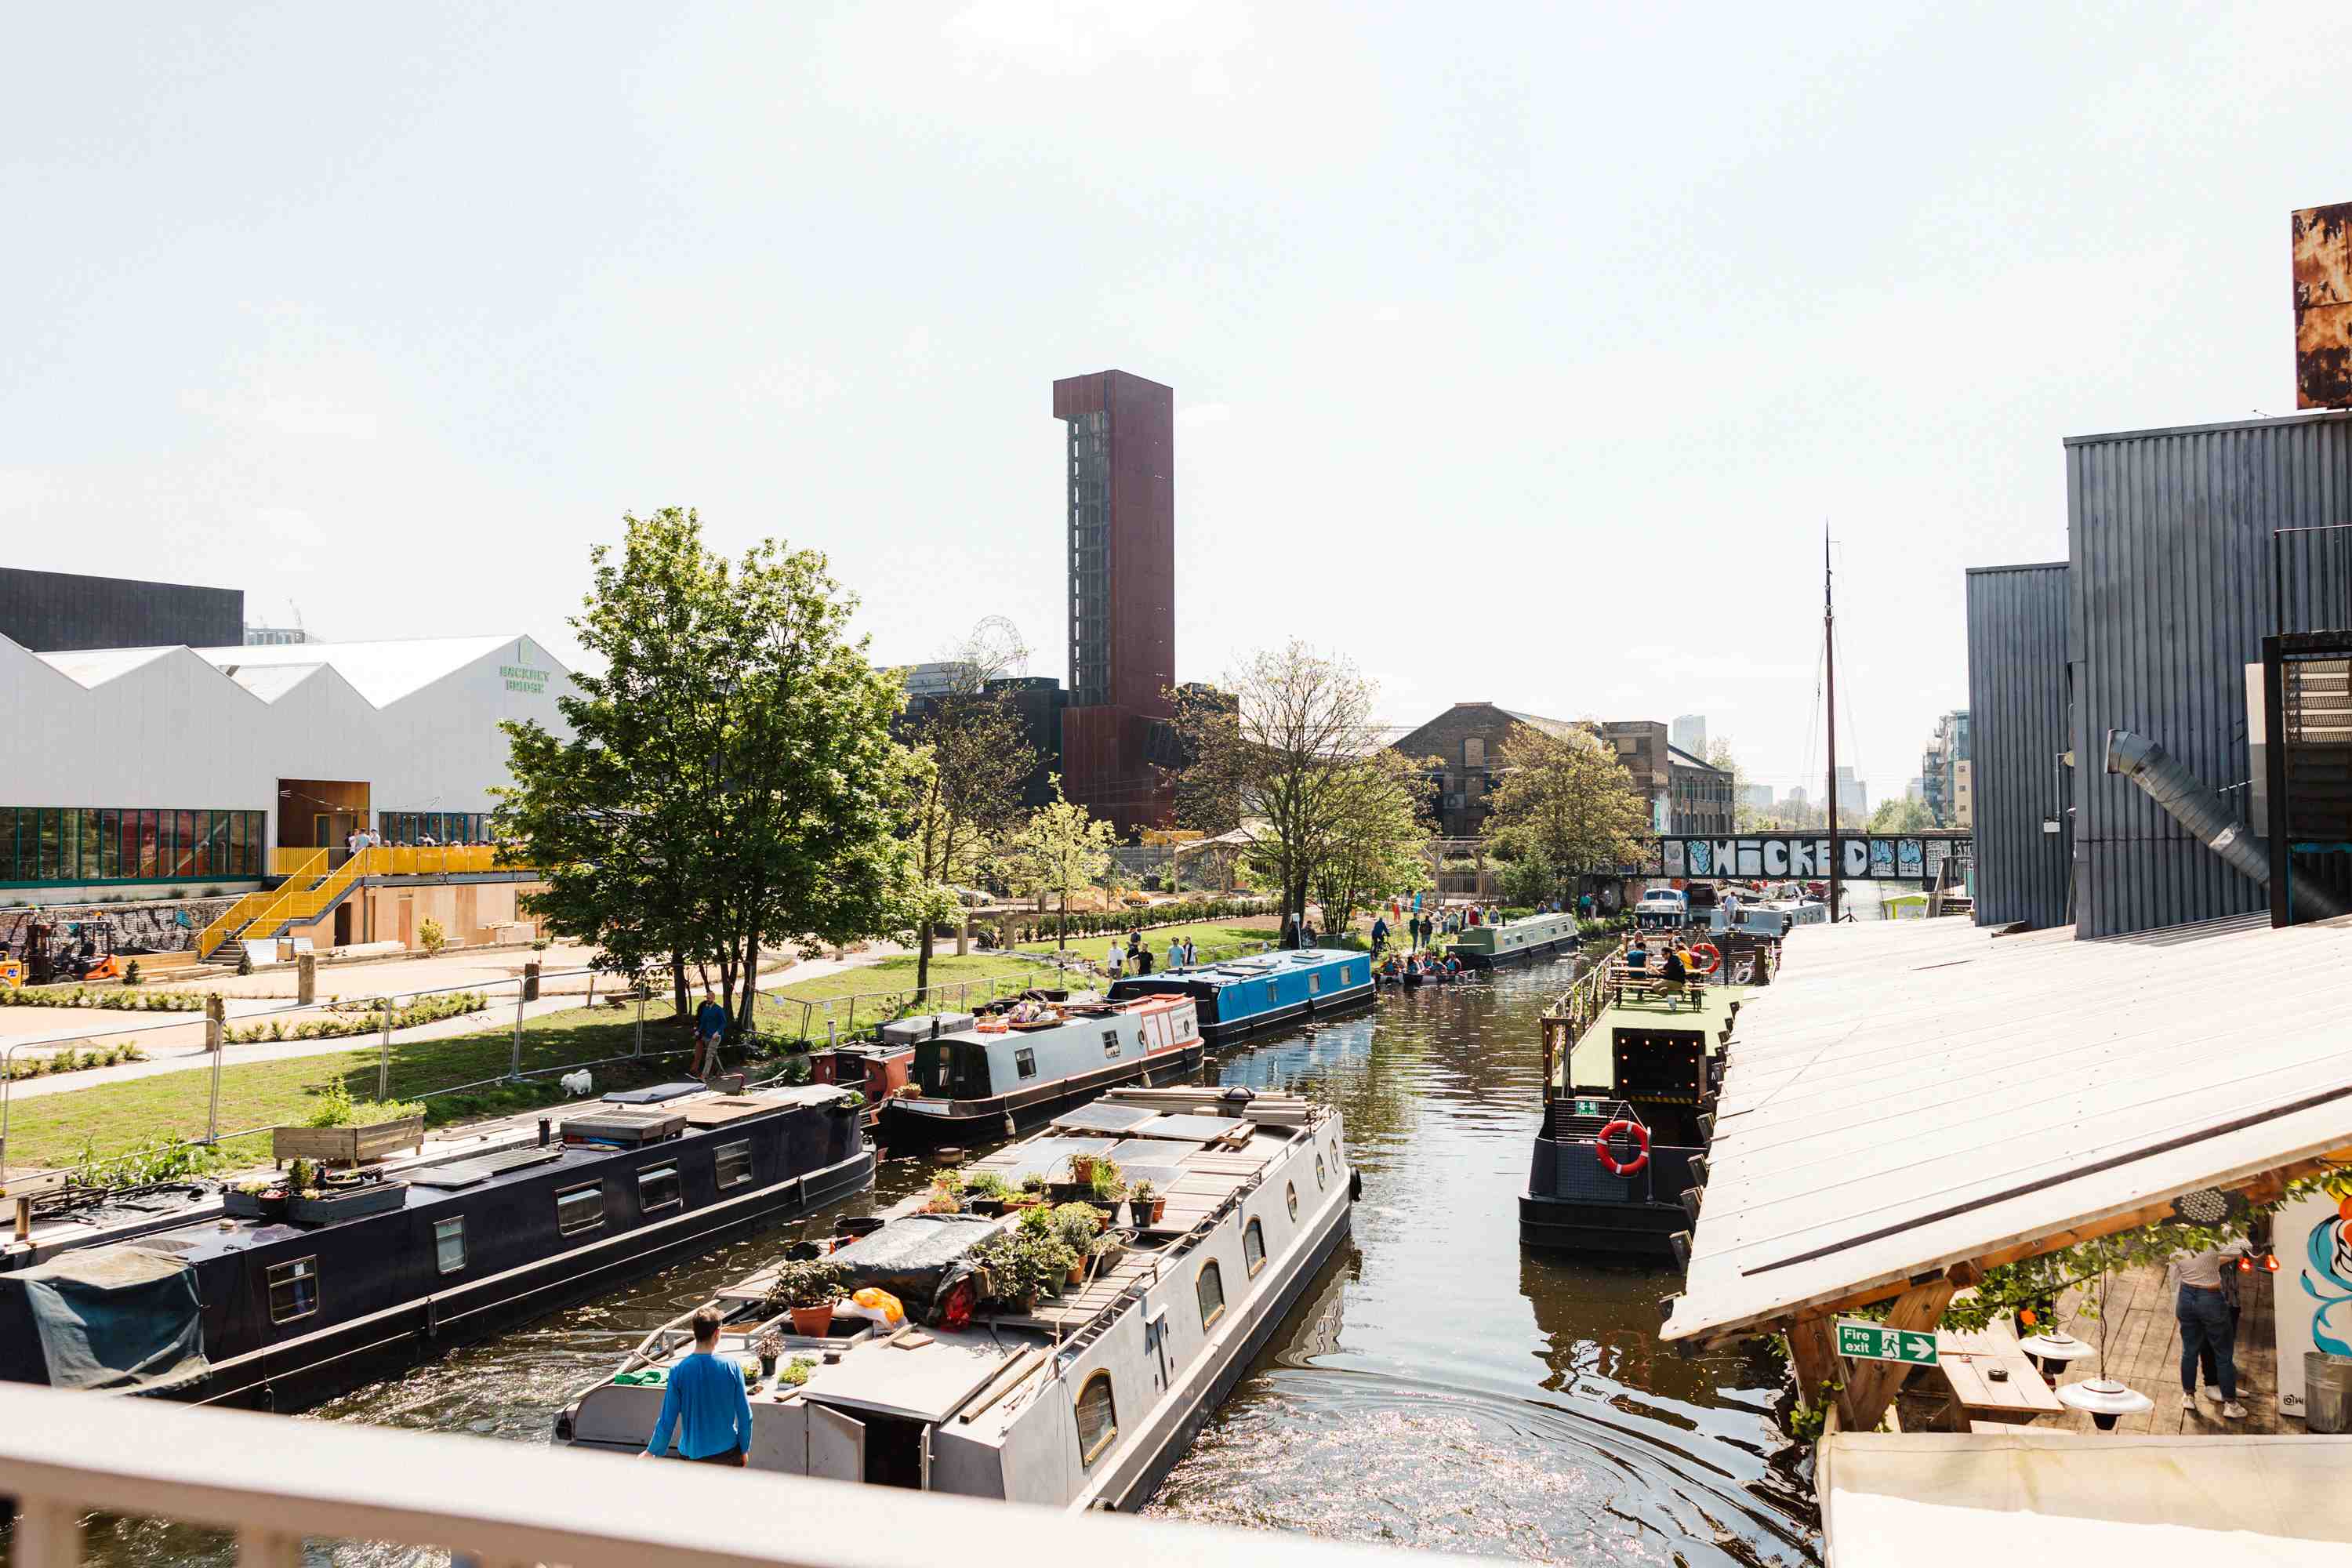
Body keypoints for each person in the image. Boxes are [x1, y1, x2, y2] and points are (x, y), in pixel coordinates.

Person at [641, 1305, 754, 1465]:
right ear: (716, 1333)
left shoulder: (678, 1371)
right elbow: (745, 1416)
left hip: (690, 1457)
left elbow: (667, 1420)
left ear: (695, 1333)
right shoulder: (732, 1366)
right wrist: (744, 1449)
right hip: (727, 1453)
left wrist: (651, 1451)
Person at [2174, 1241, 2250, 1419]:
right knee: (2223, 1353)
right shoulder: (2213, 1240)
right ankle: (2231, 1404)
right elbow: (2243, 1247)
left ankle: (2188, 1396)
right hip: (2210, 1297)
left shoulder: (2175, 1241)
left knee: (2189, 1351)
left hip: (2185, 1295)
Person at [693, 990, 728, 1078]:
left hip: (716, 1037)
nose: (707, 999)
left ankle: (704, 1076)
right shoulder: (705, 1008)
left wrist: (717, 1032)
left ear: (713, 998)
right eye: (706, 998)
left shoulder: (719, 1009)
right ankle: (722, 1072)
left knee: (709, 1056)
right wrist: (699, 1031)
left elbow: (723, 1023)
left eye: (709, 998)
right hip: (707, 1036)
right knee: (713, 1054)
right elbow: (703, 1022)